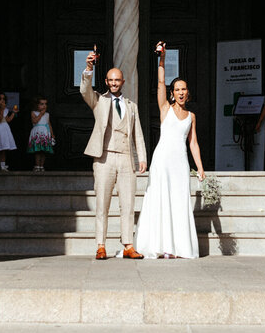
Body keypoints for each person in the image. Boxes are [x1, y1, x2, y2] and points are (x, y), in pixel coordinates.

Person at [136, 41, 206, 258]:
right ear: (172, 93)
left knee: (178, 201)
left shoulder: (192, 116)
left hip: (180, 163)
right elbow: (160, 82)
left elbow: (193, 143)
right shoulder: (165, 108)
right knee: (160, 199)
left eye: (184, 89)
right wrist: (162, 59)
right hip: (162, 161)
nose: (181, 92)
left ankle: (177, 248)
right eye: (177, 89)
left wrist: (200, 168)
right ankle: (160, 246)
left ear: (188, 92)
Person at [81, 48, 148, 260]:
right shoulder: (98, 101)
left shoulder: (132, 106)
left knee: (128, 204)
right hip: (104, 158)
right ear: (106, 81)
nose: (113, 83)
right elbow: (85, 91)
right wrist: (89, 68)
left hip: (126, 158)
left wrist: (142, 158)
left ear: (123, 81)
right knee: (102, 203)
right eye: (110, 80)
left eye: (117, 80)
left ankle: (128, 244)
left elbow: (138, 133)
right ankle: (100, 244)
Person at [27, 95, 55, 172]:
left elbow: (49, 124)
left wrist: (52, 134)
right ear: (37, 105)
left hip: (45, 133)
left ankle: (42, 166)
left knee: (44, 151)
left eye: (45, 104)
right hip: (37, 133)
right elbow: (34, 121)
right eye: (42, 104)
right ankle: (37, 165)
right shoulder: (33, 113)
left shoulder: (47, 114)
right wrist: (41, 114)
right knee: (38, 150)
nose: (44, 106)